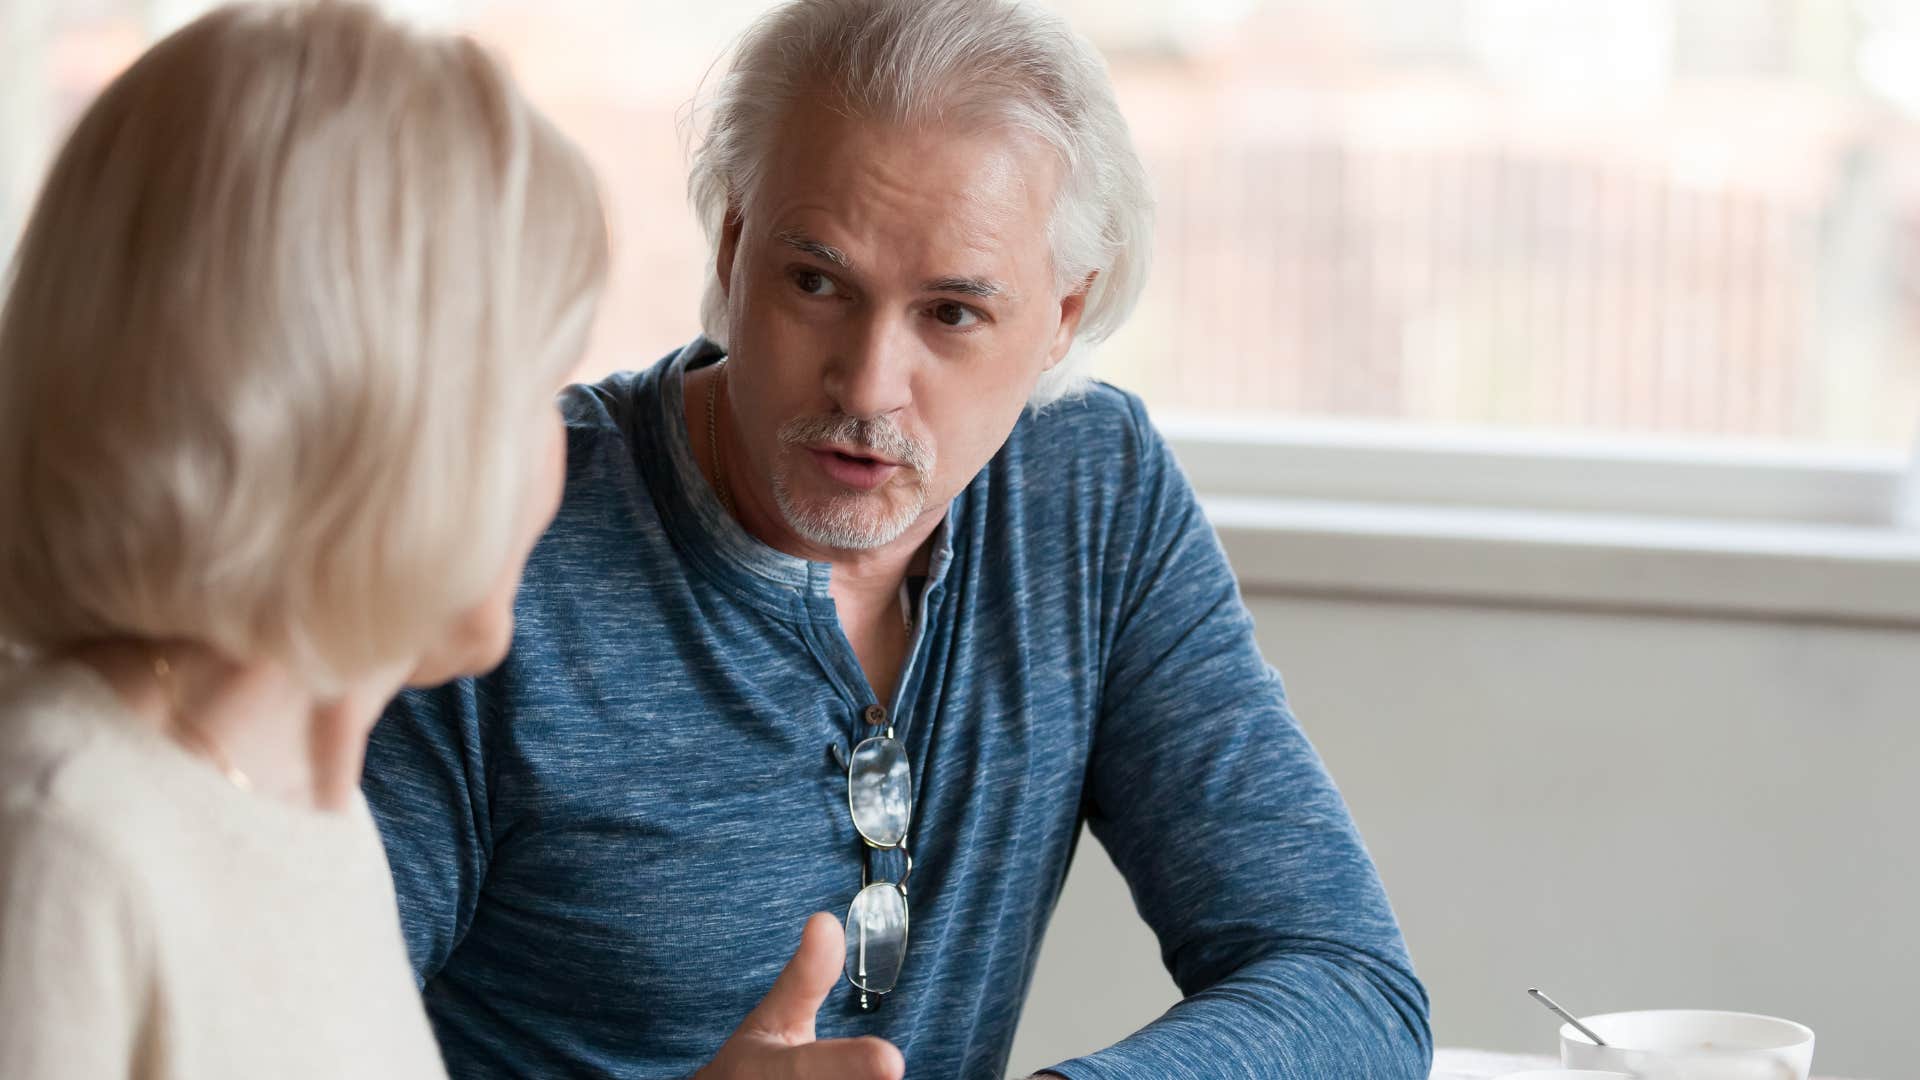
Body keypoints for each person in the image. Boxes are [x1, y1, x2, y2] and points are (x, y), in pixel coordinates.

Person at [364, 0, 1432, 1077]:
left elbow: (1343, 981)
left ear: (1065, 313)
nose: (868, 382)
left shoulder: (1085, 492)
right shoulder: (498, 529)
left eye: (953, 314)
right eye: (816, 283)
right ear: (734, 245)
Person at [0, 3, 607, 1077]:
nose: (560, 454)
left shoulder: (309, 809)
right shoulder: (65, 842)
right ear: (384, 421)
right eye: (538, 393)